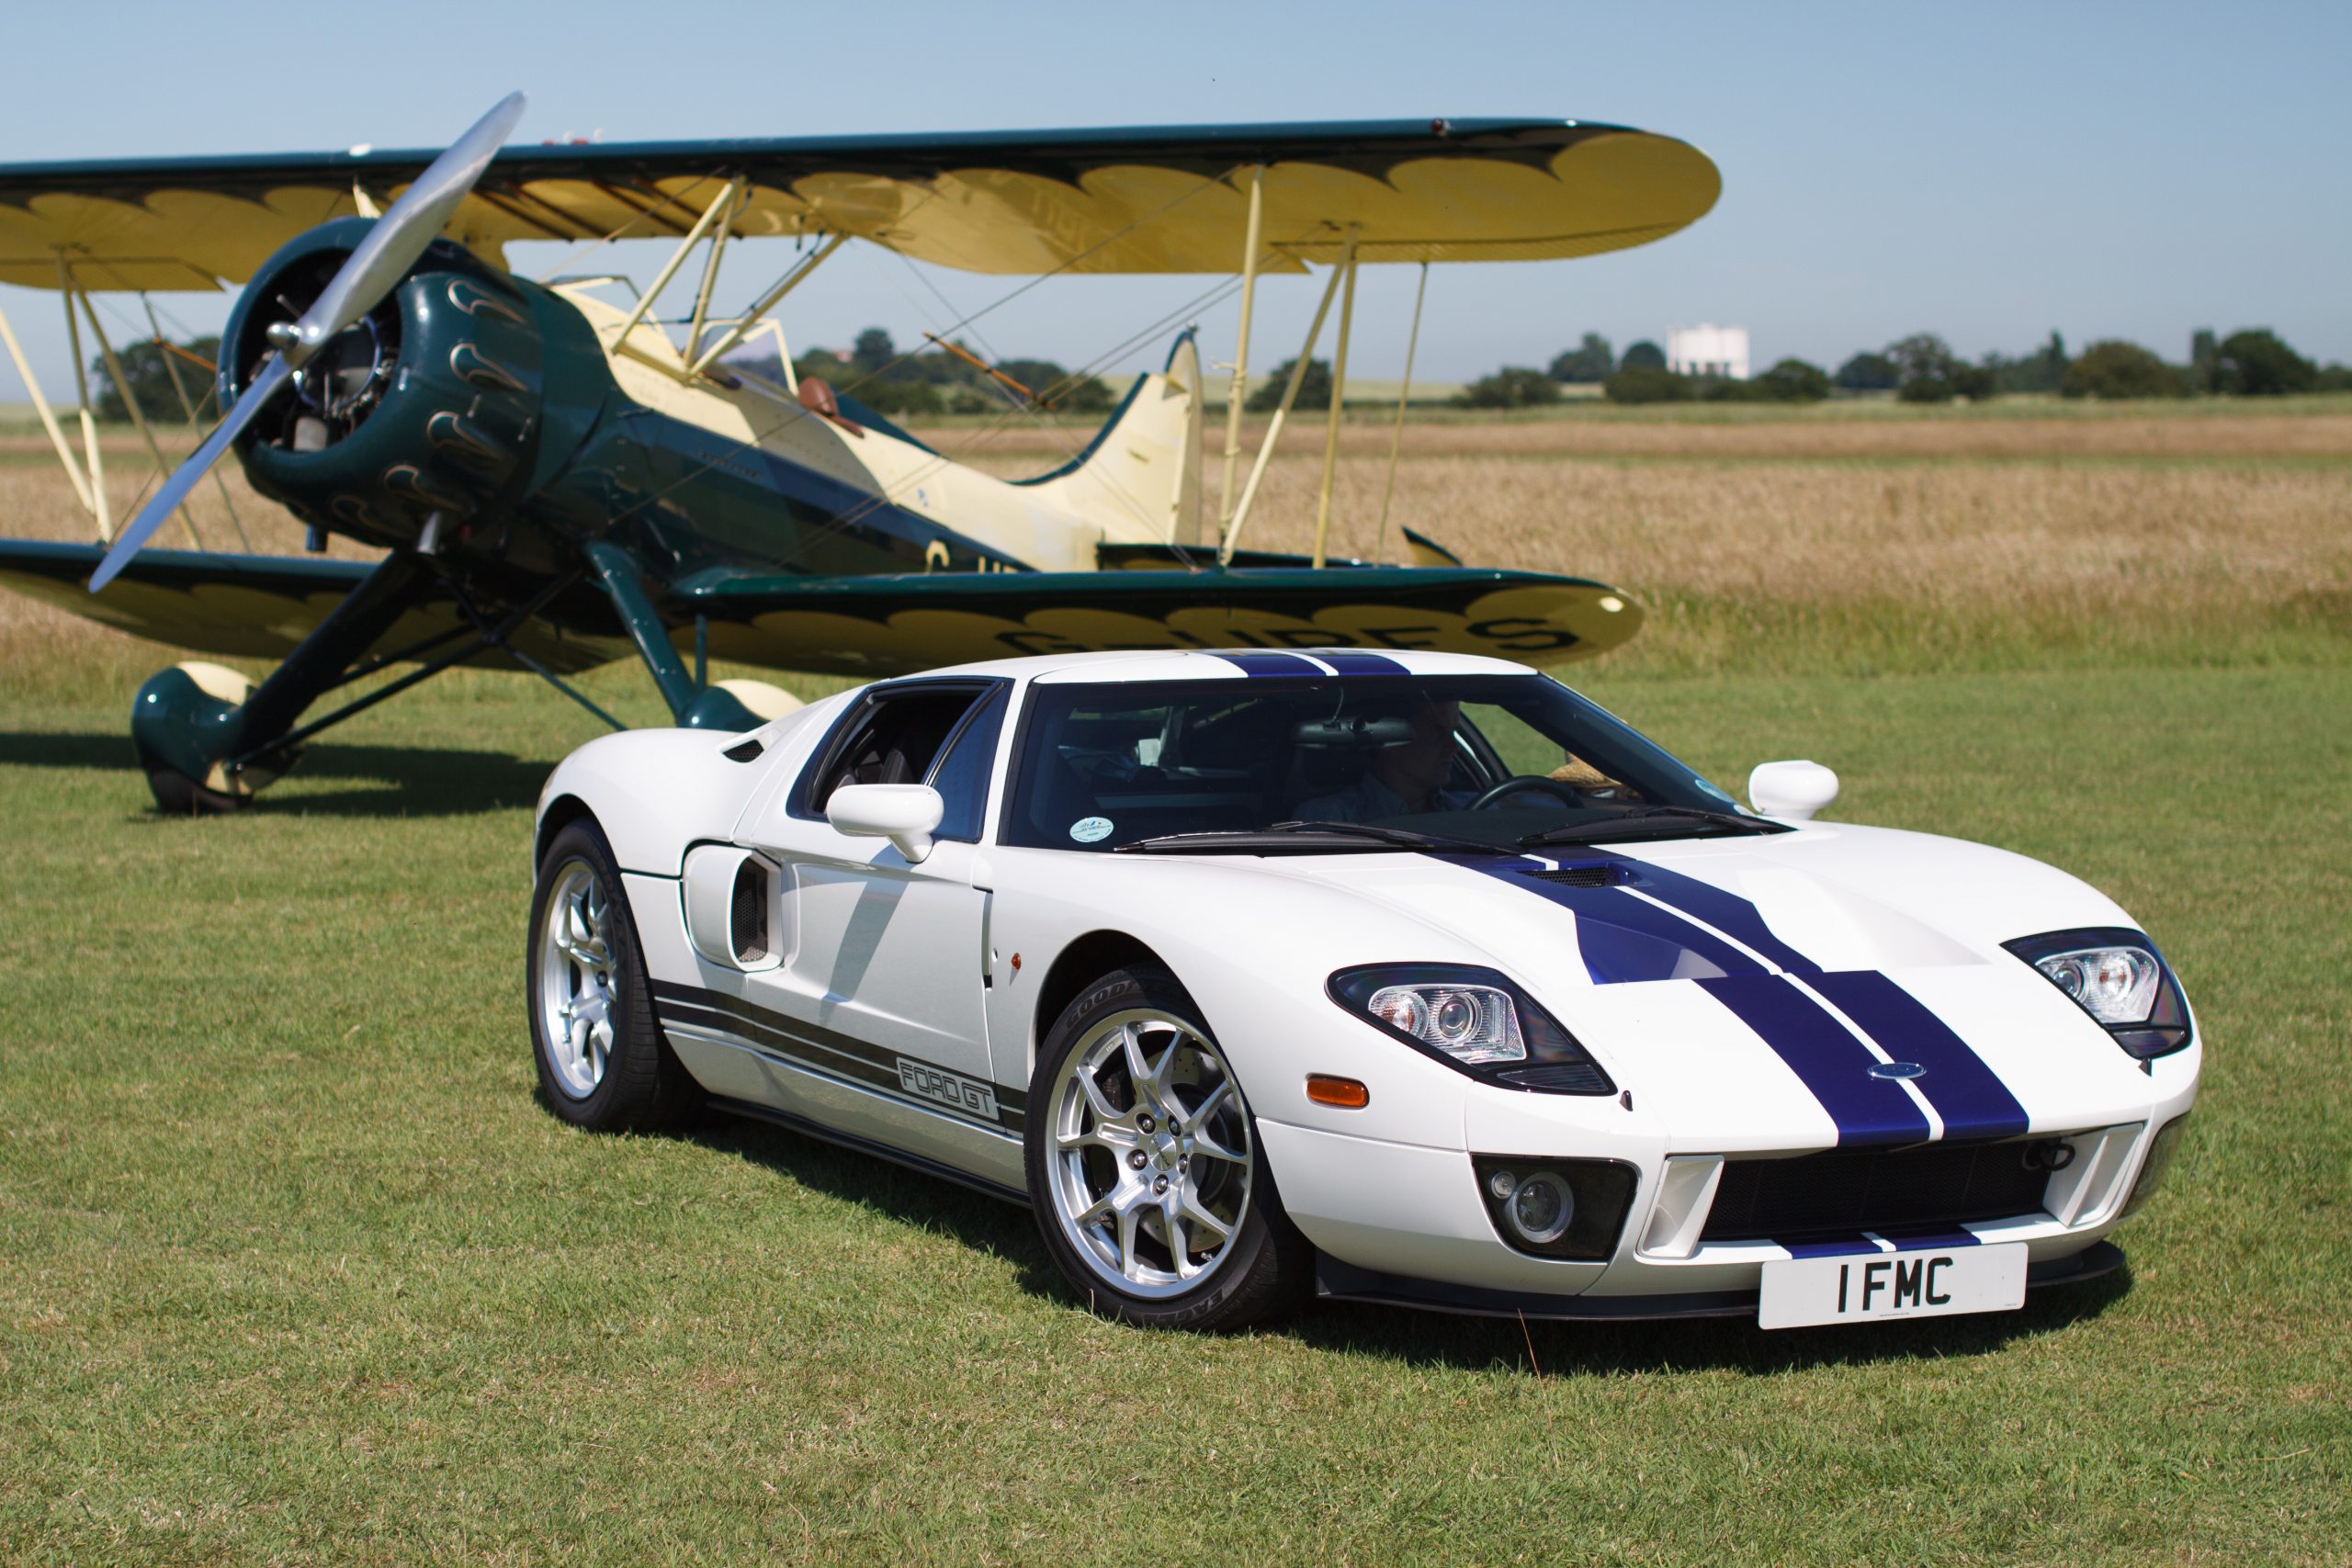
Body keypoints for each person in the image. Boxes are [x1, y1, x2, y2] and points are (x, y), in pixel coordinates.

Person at [1294, 694, 1476, 821]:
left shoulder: (1473, 808)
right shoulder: (1331, 817)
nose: (1454, 747)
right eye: (1437, 732)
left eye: (1453, 732)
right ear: (1387, 735)